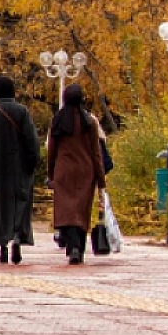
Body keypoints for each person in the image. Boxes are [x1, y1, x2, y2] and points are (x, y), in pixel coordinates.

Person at [0, 75, 41, 264]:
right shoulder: (22, 111)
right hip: (20, 170)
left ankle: (3, 244)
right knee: (20, 204)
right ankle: (18, 239)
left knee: (0, 207)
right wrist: (32, 164)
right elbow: (32, 141)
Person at [47, 83, 105, 265]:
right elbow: (97, 152)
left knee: (67, 210)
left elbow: (51, 150)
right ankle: (79, 247)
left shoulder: (57, 120)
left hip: (63, 170)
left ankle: (71, 245)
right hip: (85, 171)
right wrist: (101, 179)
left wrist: (51, 173)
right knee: (81, 210)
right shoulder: (89, 121)